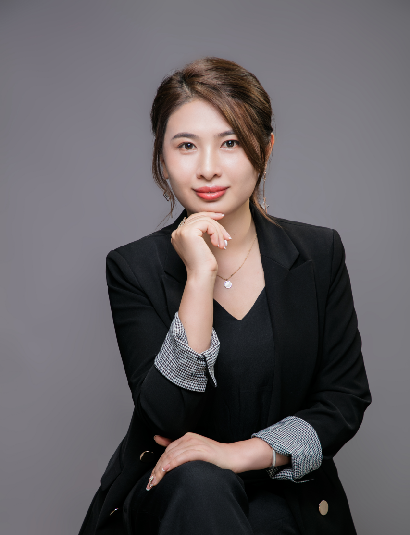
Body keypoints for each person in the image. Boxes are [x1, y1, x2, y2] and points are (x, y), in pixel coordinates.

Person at [78, 57, 372, 535]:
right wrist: (200, 277)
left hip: (285, 491)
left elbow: (343, 399)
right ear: (162, 158)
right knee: (199, 482)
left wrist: (236, 454)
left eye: (230, 142)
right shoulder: (133, 267)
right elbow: (166, 418)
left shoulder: (319, 253)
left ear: (266, 148)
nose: (208, 168)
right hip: (175, 496)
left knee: (270, 520)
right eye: (186, 146)